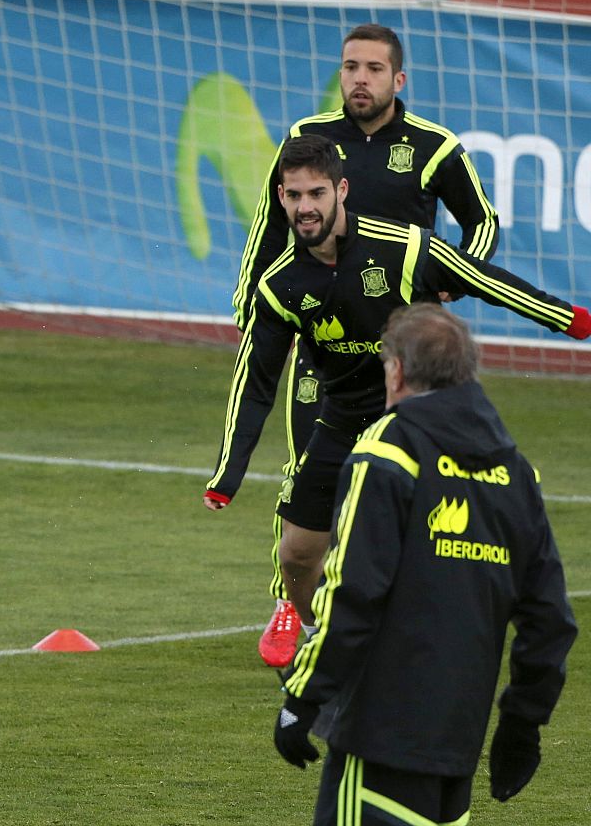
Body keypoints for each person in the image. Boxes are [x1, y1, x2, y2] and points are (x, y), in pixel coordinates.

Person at [271, 304, 576, 826]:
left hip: (386, 716)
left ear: (398, 370)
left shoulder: (388, 448)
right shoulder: (514, 470)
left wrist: (302, 695)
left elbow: (352, 590)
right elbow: (551, 619)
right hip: (458, 721)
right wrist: (521, 725)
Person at [205, 134, 586, 638]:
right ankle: (340, 643)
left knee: (437, 537)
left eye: (316, 193)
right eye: (294, 196)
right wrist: (228, 474)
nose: (305, 207)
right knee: (296, 555)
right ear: (280, 198)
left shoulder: (404, 248)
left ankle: (504, 512)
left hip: (419, 416)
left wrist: (569, 319)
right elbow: (256, 382)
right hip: (342, 419)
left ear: (341, 191)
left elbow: (488, 282)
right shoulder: (279, 286)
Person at [232, 23, 500, 667]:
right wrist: (250, 306)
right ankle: (292, 604)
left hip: (403, 354)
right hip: (322, 341)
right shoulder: (307, 141)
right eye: (351, 66)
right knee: (308, 472)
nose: (360, 78)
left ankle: (411, 604)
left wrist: (462, 278)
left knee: (408, 477)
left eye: (374, 69)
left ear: (397, 80)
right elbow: (271, 229)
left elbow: (482, 219)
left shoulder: (436, 148)